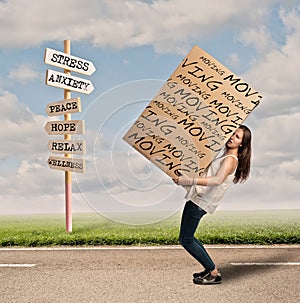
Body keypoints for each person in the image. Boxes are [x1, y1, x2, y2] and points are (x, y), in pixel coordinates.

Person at [173, 125, 252, 285]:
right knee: (187, 237)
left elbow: (216, 181)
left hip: (200, 202)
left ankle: (213, 272)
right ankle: (209, 268)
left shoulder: (230, 160)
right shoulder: (224, 156)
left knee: (186, 239)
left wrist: (187, 180)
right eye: (232, 133)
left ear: (242, 144)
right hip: (198, 199)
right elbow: (206, 178)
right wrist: (182, 181)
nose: (232, 137)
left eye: (237, 137)